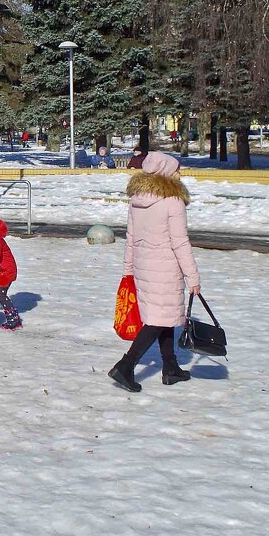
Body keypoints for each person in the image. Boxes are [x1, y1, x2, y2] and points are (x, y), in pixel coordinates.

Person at [109, 151, 201, 392]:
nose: (179, 173)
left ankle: (170, 368)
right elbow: (180, 242)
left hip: (142, 267)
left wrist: (128, 270)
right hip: (166, 269)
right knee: (157, 320)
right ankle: (125, 366)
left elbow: (131, 238)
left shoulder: (137, 199)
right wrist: (193, 277)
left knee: (163, 317)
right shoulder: (173, 200)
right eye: (175, 169)